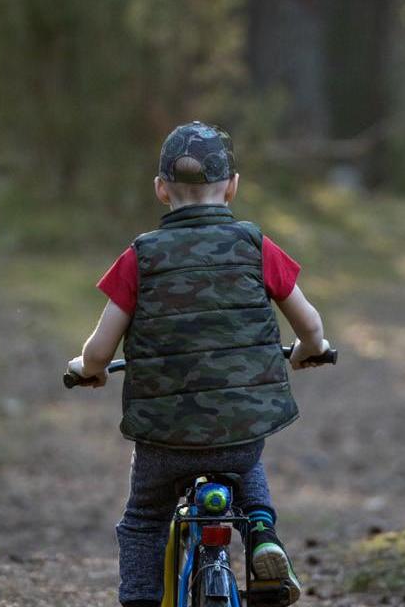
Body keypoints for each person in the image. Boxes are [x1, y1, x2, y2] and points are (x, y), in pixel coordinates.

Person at [67, 121, 331, 607]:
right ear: (232, 185)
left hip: (163, 435)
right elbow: (309, 325)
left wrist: (87, 367)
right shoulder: (256, 246)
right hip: (239, 431)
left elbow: (101, 349)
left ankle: (141, 598)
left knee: (145, 518)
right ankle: (262, 537)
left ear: (160, 189)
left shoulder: (140, 257)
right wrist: (309, 350)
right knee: (245, 463)